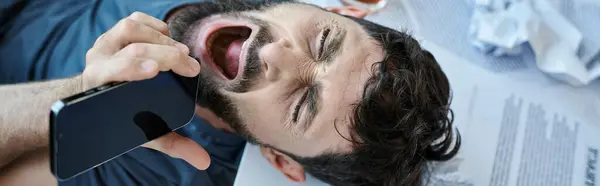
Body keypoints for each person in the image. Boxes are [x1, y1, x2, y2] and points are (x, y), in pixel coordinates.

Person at [0, 0, 460, 185]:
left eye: (302, 104)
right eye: (323, 40)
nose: (276, 54)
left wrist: (79, 96)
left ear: (280, 161)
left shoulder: (167, 171)